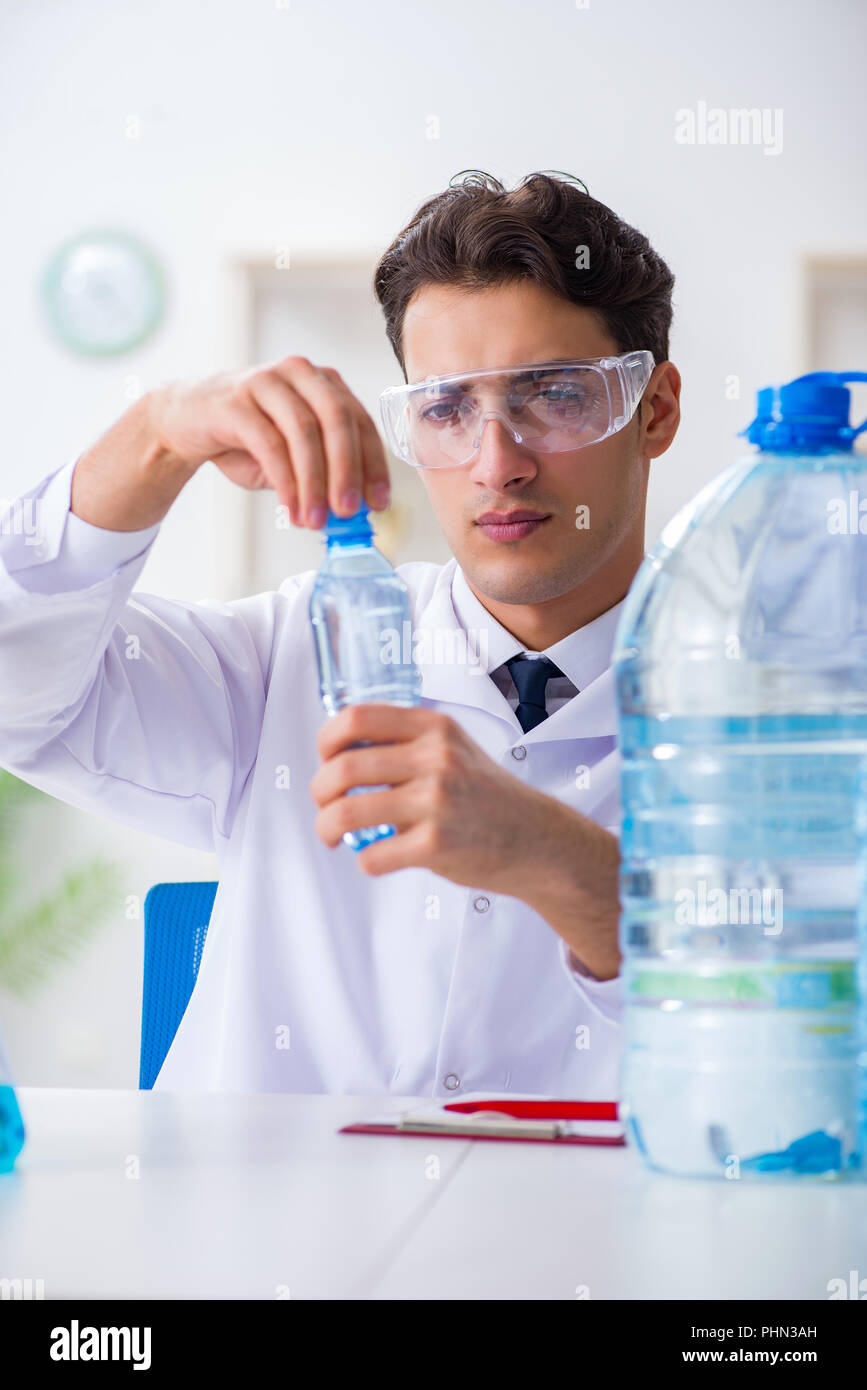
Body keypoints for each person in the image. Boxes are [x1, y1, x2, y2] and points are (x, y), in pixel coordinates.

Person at [0, 171, 680, 1096]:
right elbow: (18, 697)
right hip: (246, 1235)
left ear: (656, 410)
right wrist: (158, 437)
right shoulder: (282, 662)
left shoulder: (778, 723)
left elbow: (799, 1059)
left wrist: (558, 862)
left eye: (553, 394)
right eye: (445, 409)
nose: (496, 464)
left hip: (587, 1239)